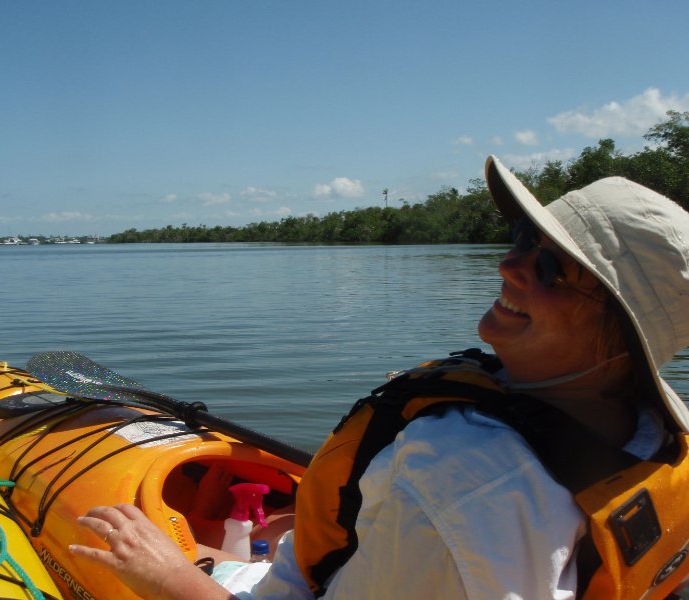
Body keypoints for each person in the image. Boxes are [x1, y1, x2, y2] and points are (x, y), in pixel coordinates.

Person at [68, 155, 689, 599]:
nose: (508, 262)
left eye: (551, 266)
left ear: (620, 336)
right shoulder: (647, 434)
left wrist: (169, 579)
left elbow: (465, 514)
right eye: (523, 236)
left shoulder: (455, 477)